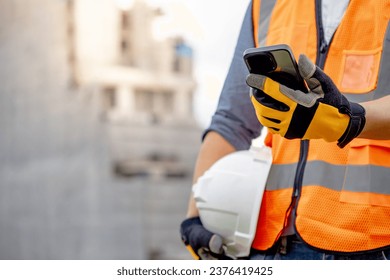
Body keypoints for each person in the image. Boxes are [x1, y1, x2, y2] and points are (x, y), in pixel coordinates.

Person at [180, 0, 390, 260]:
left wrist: (350, 119)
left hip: (372, 244)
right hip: (271, 244)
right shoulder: (266, 4)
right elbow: (231, 121)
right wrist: (195, 214)